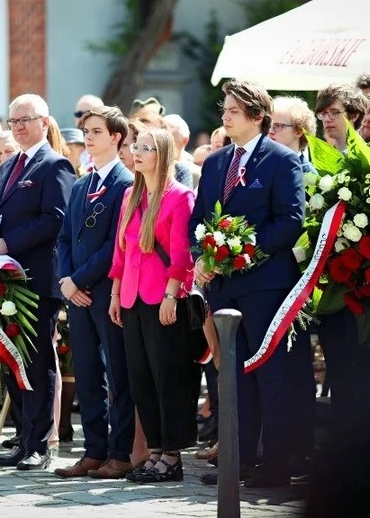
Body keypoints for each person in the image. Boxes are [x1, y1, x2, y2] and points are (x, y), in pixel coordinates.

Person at [191, 80, 313, 488]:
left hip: (265, 285)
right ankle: (238, 460)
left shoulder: (282, 160)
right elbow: (199, 220)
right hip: (223, 288)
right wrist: (203, 258)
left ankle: (275, 464)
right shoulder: (215, 162)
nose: (224, 117)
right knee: (234, 377)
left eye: (233, 111)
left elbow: (290, 220)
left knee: (269, 374)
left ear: (258, 117)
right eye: (223, 110)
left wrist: (241, 252)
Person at [0, 94, 75, 471]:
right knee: (11, 359)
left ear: (45, 122)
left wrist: (8, 242)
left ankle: (39, 443)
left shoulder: (55, 164)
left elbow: (56, 219)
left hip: (36, 279)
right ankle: (22, 438)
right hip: (4, 279)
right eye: (13, 120)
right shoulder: (7, 167)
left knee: (35, 361)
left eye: (26, 119)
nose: (18, 126)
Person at [108, 127, 195, 483]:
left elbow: (181, 254)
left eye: (145, 148)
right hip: (130, 297)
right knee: (140, 378)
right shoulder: (130, 195)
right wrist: (115, 294)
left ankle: (172, 455)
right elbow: (120, 252)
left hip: (163, 297)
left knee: (166, 376)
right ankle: (156, 450)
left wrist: (172, 295)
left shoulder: (180, 196)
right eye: (135, 146)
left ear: (163, 154)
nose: (136, 152)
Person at [55, 106, 135, 479]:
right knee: (87, 373)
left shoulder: (125, 183)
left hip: (106, 293)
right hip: (78, 294)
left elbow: (114, 244)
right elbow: (65, 237)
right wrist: (66, 281)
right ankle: (93, 450)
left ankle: (119, 453)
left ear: (116, 138)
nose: (88, 137)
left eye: (97, 131)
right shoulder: (81, 183)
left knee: (117, 374)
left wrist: (80, 280)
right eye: (86, 130)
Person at [270, 95, 317, 173]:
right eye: (268, 125)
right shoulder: (260, 167)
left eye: (278, 126)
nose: (270, 131)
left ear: (298, 132)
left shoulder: (309, 176)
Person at [316, 83, 368, 152]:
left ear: (354, 115)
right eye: (323, 113)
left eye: (334, 112)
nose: (326, 119)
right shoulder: (323, 158)